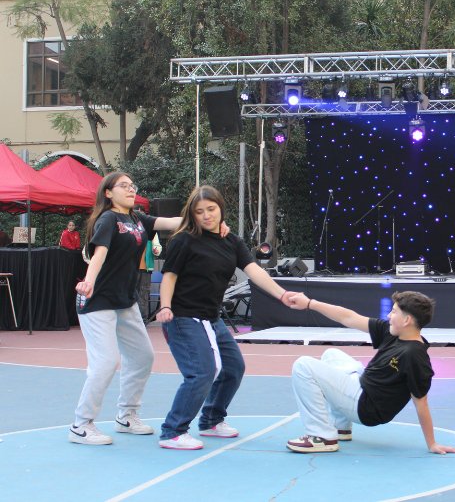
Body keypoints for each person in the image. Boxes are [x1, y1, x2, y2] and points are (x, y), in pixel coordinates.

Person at [155, 185, 295, 450]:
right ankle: (173, 431)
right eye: (199, 212)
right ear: (192, 214)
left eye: (211, 209)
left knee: (233, 368)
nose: (206, 216)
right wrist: (165, 306)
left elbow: (254, 271)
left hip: (211, 318)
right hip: (183, 317)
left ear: (220, 209)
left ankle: (211, 420)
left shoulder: (232, 241)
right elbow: (169, 277)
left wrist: (282, 294)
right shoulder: (183, 240)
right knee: (201, 372)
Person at [70, 172, 200, 446]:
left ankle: (126, 416)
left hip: (124, 301)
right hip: (97, 300)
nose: (131, 190)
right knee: (105, 362)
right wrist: (88, 282)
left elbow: (173, 222)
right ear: (108, 192)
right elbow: (99, 254)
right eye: (124, 186)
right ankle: (81, 424)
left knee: (142, 357)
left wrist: (206, 219)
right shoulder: (107, 219)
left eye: (132, 186)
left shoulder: (137, 219)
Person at [284, 290, 455, 455]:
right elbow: (348, 317)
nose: (388, 315)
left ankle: (322, 437)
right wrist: (309, 303)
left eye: (393, 312)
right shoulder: (394, 333)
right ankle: (341, 427)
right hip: (363, 389)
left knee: (303, 366)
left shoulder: (414, 355)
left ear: (406, 320)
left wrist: (432, 444)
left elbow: (421, 401)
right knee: (332, 355)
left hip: (366, 408)